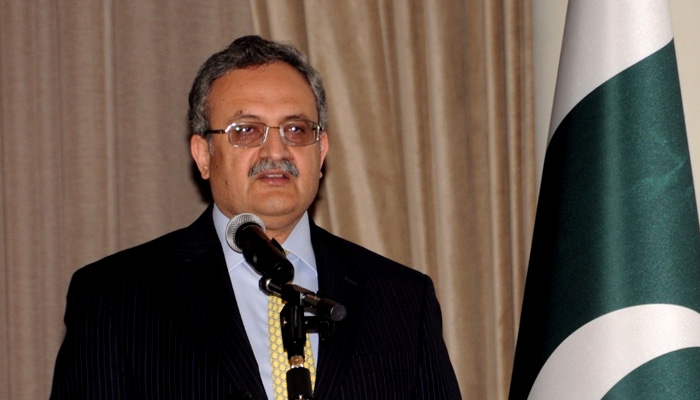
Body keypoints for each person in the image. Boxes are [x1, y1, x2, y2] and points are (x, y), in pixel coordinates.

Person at [50, 35, 461, 400]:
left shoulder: (403, 299)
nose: (276, 151)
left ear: (321, 152)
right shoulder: (117, 297)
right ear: (203, 155)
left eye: (296, 130)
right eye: (246, 131)